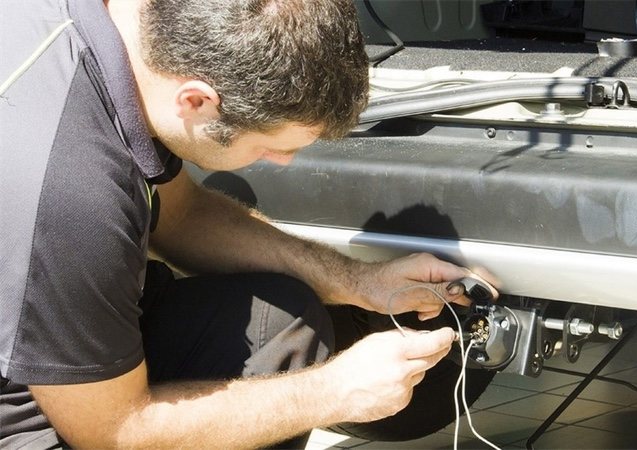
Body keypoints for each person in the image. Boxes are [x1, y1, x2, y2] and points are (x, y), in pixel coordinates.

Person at [0, 0, 498, 448]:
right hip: (37, 420)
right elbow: (113, 432)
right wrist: (333, 393)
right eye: (272, 146)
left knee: (281, 327)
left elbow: (182, 215)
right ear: (195, 102)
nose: (282, 162)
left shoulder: (114, 33)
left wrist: (358, 282)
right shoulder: (69, 193)